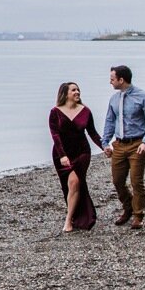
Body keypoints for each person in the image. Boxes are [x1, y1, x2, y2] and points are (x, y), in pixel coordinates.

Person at [102, 64, 145, 229]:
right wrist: (105, 143)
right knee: (117, 181)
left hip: (137, 144)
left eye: (112, 79)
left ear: (121, 79)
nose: (110, 82)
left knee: (136, 181)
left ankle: (138, 215)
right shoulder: (114, 99)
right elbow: (109, 121)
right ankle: (128, 207)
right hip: (119, 145)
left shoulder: (144, 97)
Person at [48, 81, 102, 232]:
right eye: (73, 90)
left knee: (74, 182)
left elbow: (93, 133)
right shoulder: (55, 112)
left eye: (78, 90)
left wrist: (105, 146)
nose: (77, 92)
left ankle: (68, 221)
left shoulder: (85, 111)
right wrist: (62, 156)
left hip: (82, 152)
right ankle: (79, 215)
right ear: (65, 93)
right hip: (62, 154)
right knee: (71, 186)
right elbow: (55, 135)